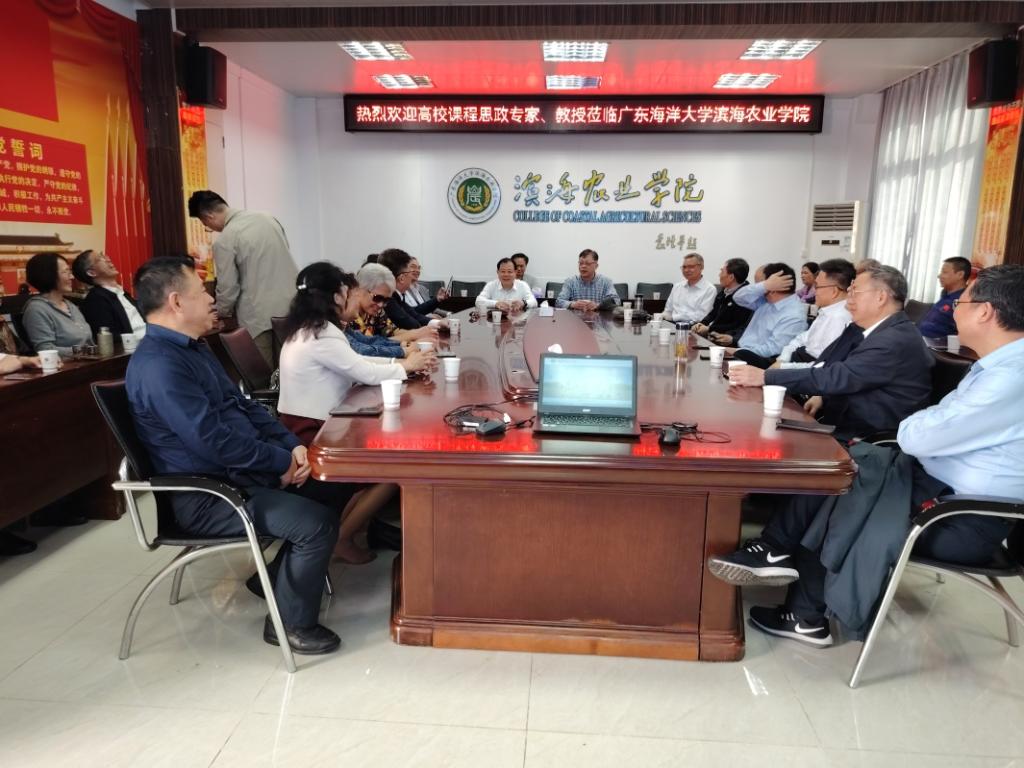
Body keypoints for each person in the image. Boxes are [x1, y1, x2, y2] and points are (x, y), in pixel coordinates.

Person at [709, 265, 1024, 647]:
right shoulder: (997, 366)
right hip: (931, 484)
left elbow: (918, 435)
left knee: (842, 483)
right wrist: (925, 423)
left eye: (962, 301)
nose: (953, 307)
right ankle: (791, 584)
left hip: (960, 516)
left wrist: (921, 424)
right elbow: (927, 422)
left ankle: (798, 598)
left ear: (985, 312)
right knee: (847, 475)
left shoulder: (1010, 377)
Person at [126, 256, 346, 655]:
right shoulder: (159, 366)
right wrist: (278, 465)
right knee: (316, 524)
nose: (213, 299)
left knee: (335, 483)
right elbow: (212, 442)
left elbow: (244, 408)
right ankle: (289, 624)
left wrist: (291, 447)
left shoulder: (194, 348)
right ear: (176, 302)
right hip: (210, 494)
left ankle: (273, 580)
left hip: (239, 474)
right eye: (202, 292)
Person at [277, 262, 433, 563]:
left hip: (319, 423)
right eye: (348, 293)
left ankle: (348, 528)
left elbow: (356, 362)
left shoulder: (311, 327)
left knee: (384, 452)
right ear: (337, 297)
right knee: (391, 467)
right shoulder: (322, 333)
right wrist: (406, 366)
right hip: (315, 432)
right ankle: (343, 536)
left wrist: (401, 365)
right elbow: (362, 370)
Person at [730, 264, 932, 440]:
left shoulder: (894, 340)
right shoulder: (862, 328)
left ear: (880, 297)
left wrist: (766, 376)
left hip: (865, 435)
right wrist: (823, 396)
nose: (848, 299)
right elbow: (828, 364)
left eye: (855, 292)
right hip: (839, 417)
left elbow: (839, 376)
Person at [187, 190, 298, 367]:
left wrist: (220, 312)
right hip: (292, 308)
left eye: (206, 225)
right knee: (291, 367)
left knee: (263, 373)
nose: (211, 229)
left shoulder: (225, 240)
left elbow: (228, 287)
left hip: (258, 318)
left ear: (209, 216)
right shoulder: (268, 219)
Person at [715, 263, 806, 367]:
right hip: (742, 352)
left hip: (761, 362)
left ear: (774, 288)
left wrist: (735, 351)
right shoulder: (766, 301)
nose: (758, 288)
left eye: (760, 284)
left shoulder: (794, 316)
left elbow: (772, 350)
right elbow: (738, 297)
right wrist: (765, 286)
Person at [775, 258, 854, 366]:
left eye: (816, 286)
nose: (814, 291)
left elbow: (822, 366)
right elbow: (802, 338)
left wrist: (782, 367)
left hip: (806, 368)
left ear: (834, 291)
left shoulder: (838, 318)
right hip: (797, 360)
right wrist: (782, 360)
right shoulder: (827, 311)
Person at [21, 252, 93, 357]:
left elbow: (89, 341)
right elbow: (45, 349)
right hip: (66, 366)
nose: (72, 277)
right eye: (65, 272)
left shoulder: (70, 305)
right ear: (49, 275)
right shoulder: (36, 309)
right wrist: (84, 351)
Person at [352, 263, 438, 345]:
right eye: (377, 298)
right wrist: (414, 335)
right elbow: (368, 345)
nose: (381, 305)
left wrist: (422, 333)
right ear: (360, 289)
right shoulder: (349, 314)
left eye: (386, 300)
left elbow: (393, 331)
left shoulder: (376, 310)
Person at [72, 249, 146, 339]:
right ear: (92, 272)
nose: (108, 259)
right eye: (100, 258)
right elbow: (109, 338)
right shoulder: (96, 300)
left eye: (104, 256)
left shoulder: (122, 294)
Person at [377, 248, 449, 331]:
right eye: (410, 271)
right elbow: (411, 324)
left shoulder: (397, 295)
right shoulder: (388, 298)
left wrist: (438, 323)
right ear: (401, 278)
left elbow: (414, 315)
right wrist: (432, 325)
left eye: (419, 268)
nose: (414, 273)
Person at [692, 258, 753, 340]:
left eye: (722, 271)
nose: (719, 275)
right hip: (712, 333)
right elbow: (713, 313)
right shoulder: (725, 290)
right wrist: (701, 324)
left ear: (731, 277)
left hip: (726, 338)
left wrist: (709, 329)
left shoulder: (744, 297)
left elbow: (736, 325)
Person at [918, 256, 972, 338]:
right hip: (920, 339)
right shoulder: (945, 295)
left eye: (944, 272)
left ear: (960, 275)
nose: (939, 276)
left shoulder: (964, 301)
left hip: (936, 344)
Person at [556, 249, 620, 310]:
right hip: (575, 317)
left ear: (596, 266)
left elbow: (616, 301)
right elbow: (559, 302)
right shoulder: (570, 281)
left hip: (598, 317)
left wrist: (597, 306)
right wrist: (573, 304)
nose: (583, 266)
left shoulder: (606, 281)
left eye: (587, 263)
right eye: (581, 263)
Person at [663, 252, 717, 326]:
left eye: (691, 267)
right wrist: (662, 316)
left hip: (694, 327)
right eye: (684, 267)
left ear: (701, 267)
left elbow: (702, 315)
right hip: (672, 325)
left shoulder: (710, 289)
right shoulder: (677, 286)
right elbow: (668, 310)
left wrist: (674, 317)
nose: (686, 270)